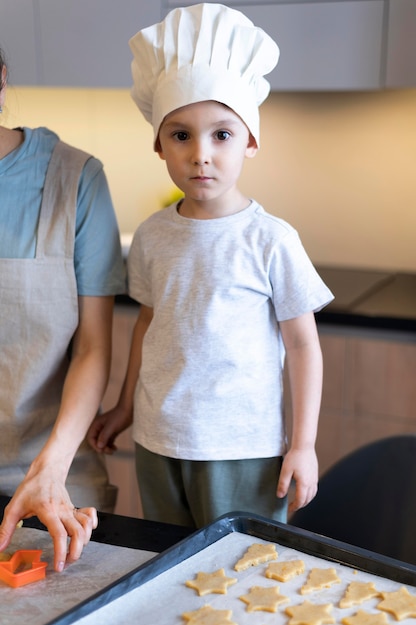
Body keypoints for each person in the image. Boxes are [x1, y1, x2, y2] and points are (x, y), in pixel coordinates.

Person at [87, 3, 334, 528]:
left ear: (250, 142)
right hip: (158, 441)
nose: (201, 153)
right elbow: (150, 326)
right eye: (181, 135)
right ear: (159, 145)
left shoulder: (271, 239)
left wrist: (305, 444)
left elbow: (303, 344)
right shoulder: (153, 234)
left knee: (236, 578)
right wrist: (126, 405)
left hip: (241, 446)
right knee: (170, 568)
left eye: (221, 134)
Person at [0, 47, 126, 571]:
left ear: (1, 80)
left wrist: (49, 469)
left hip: (54, 459)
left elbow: (94, 348)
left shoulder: (75, 179)